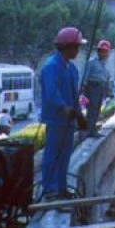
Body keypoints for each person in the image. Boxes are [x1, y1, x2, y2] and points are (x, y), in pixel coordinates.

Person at [40, 27, 87, 199]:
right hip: (56, 119)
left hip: (69, 120)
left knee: (65, 155)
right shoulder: (51, 67)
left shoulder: (71, 68)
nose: (78, 51)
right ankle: (50, 189)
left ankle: (61, 187)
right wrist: (63, 108)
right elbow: (51, 92)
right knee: (52, 154)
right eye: (76, 47)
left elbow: (75, 94)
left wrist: (79, 115)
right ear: (68, 47)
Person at [83, 40, 114, 135]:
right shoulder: (91, 62)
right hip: (92, 88)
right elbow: (85, 76)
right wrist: (83, 90)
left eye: (106, 51)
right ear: (99, 52)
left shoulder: (104, 64)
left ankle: (92, 129)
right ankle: (89, 131)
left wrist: (109, 92)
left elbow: (106, 79)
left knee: (97, 109)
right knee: (92, 109)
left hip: (101, 88)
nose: (105, 54)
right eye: (102, 51)